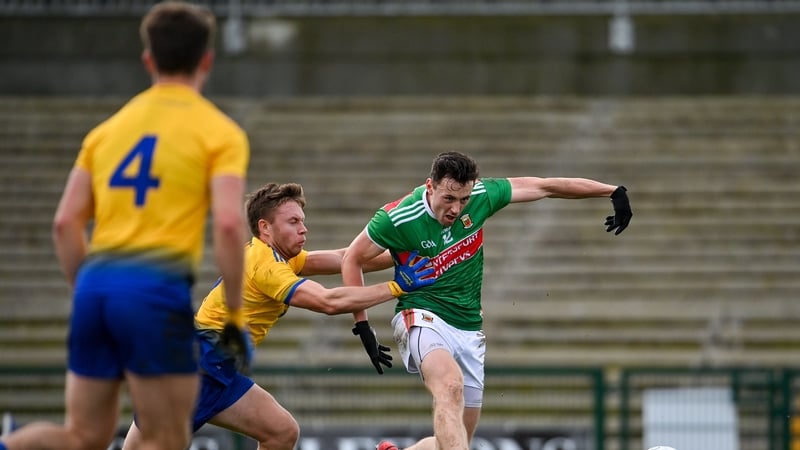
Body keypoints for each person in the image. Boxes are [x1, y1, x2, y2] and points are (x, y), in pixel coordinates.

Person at [0, 3, 251, 450]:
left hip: (95, 286)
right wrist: (233, 316)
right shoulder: (219, 132)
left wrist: (93, 293)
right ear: (206, 61)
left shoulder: (106, 132)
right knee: (167, 438)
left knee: (84, 436)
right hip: (155, 292)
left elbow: (64, 223)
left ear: (148, 60)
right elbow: (231, 225)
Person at [341, 151, 633, 450]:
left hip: (468, 325)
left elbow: (545, 186)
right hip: (422, 315)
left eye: (463, 200)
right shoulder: (398, 216)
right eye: (449, 198)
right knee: (449, 389)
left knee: (457, 439)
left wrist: (611, 191)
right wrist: (362, 325)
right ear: (430, 186)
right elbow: (352, 259)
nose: (456, 209)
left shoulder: (482, 195)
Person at [122, 182, 436, 450]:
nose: (304, 228)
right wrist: (397, 286)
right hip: (195, 369)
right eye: (293, 221)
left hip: (220, 368)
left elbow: (347, 257)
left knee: (281, 432)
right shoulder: (265, 266)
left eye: (303, 220)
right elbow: (327, 301)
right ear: (265, 228)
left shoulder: (283, 257)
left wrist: (405, 250)